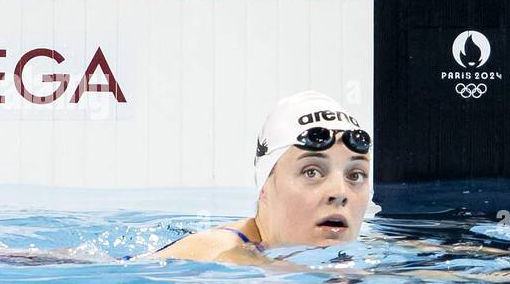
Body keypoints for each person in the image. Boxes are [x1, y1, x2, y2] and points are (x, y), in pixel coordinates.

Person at [146, 91, 373, 264]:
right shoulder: (220, 255)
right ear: (264, 187)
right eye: (311, 172)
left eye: (355, 175)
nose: (340, 193)